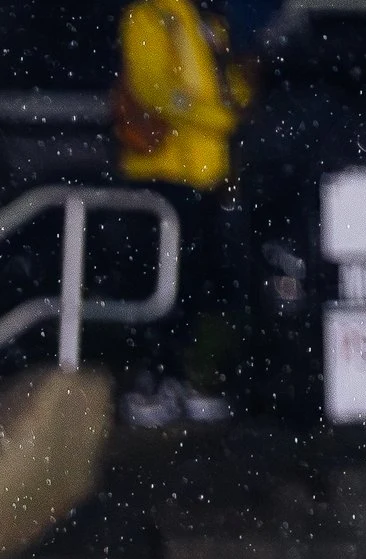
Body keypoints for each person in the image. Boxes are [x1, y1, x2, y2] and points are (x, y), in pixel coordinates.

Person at [114, 0, 252, 425]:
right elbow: (153, 88)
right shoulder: (149, 14)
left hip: (208, 176)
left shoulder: (209, 22)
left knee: (204, 283)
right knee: (160, 285)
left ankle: (192, 379)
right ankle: (154, 381)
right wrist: (220, 118)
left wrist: (245, 93)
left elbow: (228, 85)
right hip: (165, 174)